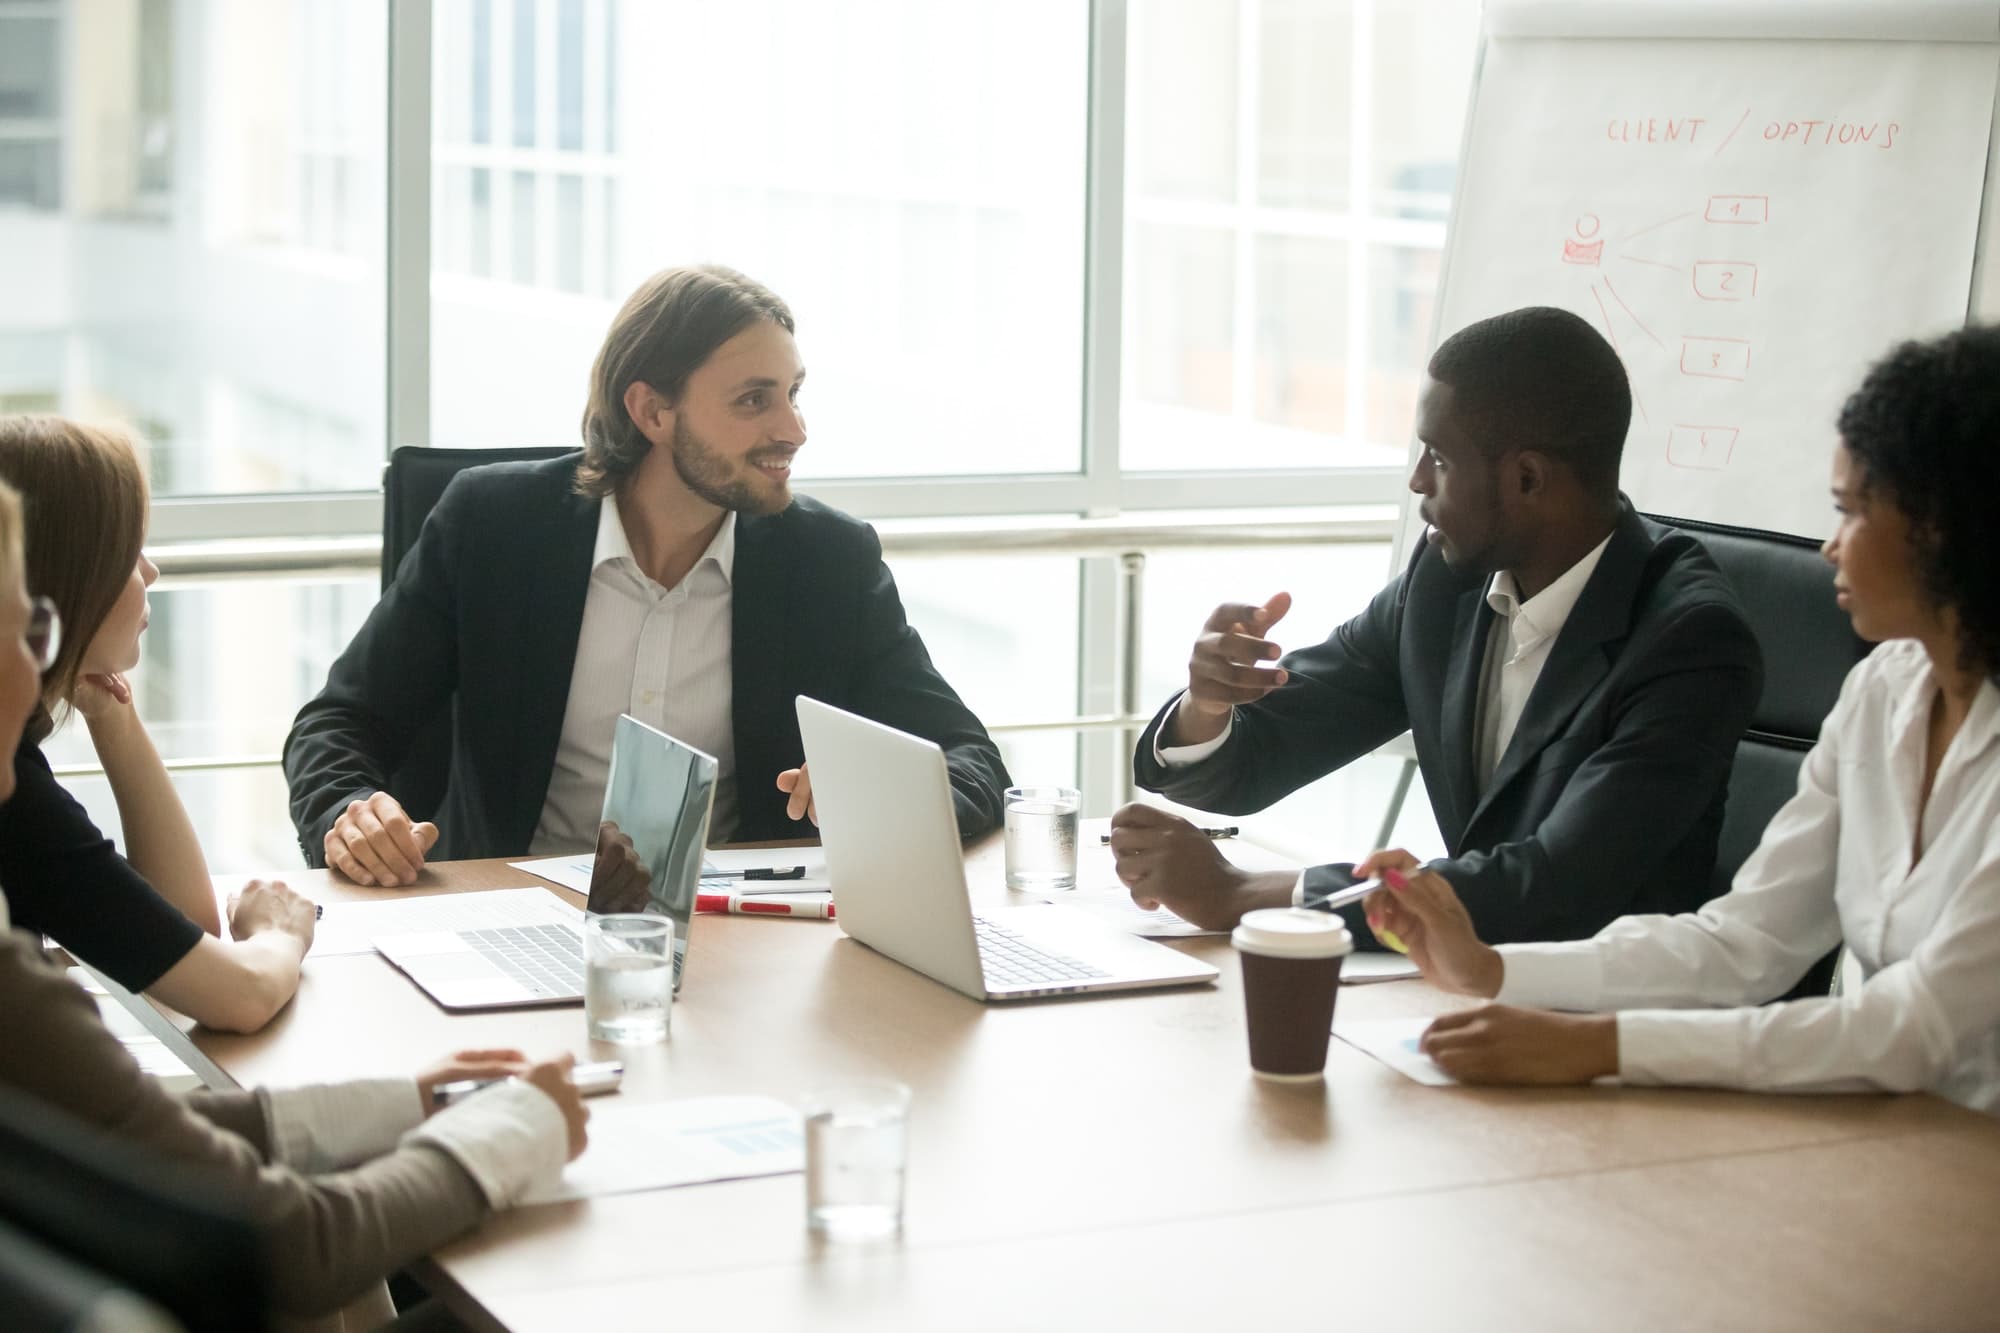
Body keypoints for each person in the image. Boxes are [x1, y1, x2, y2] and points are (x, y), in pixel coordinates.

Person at [0, 472, 589, 1324]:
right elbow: (290, 1247)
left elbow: (115, 1142)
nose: (37, 662)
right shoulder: (14, 977)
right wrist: (515, 1129)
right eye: (26, 628)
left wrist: (403, 1102)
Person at [1367, 327, 2000, 1114]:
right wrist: (1493, 973)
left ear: (1945, 528)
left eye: (1851, 513)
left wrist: (1598, 1046)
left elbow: (1912, 1028)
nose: (1831, 547)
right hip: (1892, 1136)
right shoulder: (1883, 690)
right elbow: (1743, 944)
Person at [286, 263, 1010, 886]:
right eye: (754, 399)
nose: (793, 429)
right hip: (512, 915)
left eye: (794, 393)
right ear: (653, 410)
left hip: (744, 939)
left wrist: (887, 796)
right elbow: (339, 724)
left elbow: (973, 761)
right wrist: (351, 815)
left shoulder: (827, 562)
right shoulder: (492, 526)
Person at [1111, 306, 1762, 944]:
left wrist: (1245, 894)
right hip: (1466, 992)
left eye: (1440, 458)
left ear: (1528, 477)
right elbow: (1262, 755)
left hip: (1613, 1022)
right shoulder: (1444, 583)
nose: (1419, 481)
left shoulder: (1690, 642)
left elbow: (1556, 887)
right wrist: (1209, 703)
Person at [0, 416, 314, 1033]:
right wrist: (282, 933)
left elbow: (178, 932)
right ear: (64, 584)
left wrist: (112, 716)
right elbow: (239, 995)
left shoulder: (18, 761)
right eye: (126, 555)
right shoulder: (15, 797)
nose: (150, 573)